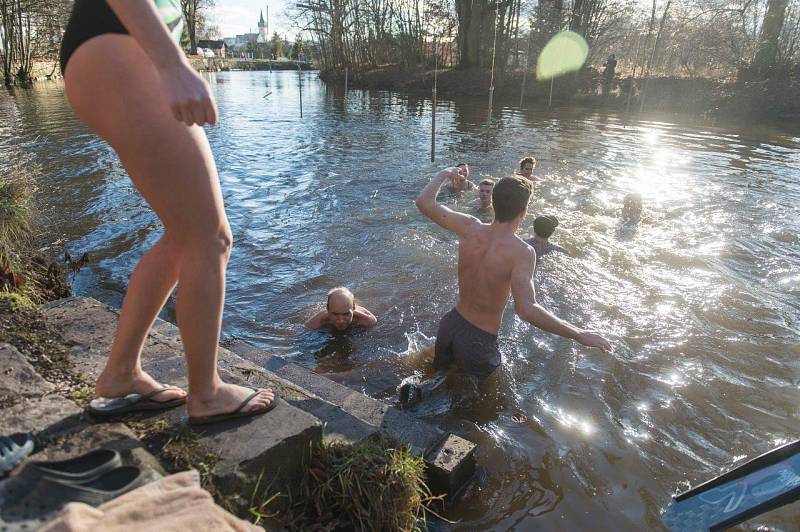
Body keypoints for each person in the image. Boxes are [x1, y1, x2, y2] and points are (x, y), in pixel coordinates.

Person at [60, 0, 274, 425]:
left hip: (106, 51)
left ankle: (121, 373)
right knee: (211, 238)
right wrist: (172, 63)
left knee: (184, 235)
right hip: (118, 46)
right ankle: (207, 393)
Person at [413, 168, 611, 383]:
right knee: (473, 404)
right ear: (524, 211)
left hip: (450, 324)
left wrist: (444, 174)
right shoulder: (522, 252)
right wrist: (578, 333)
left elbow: (424, 202)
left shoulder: (469, 226)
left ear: (494, 202)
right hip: (478, 339)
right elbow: (526, 309)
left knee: (434, 377)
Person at [305, 287, 378, 331]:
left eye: (346, 314)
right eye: (335, 314)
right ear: (327, 309)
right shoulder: (319, 321)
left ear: (353, 308)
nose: (340, 321)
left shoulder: (366, 320)